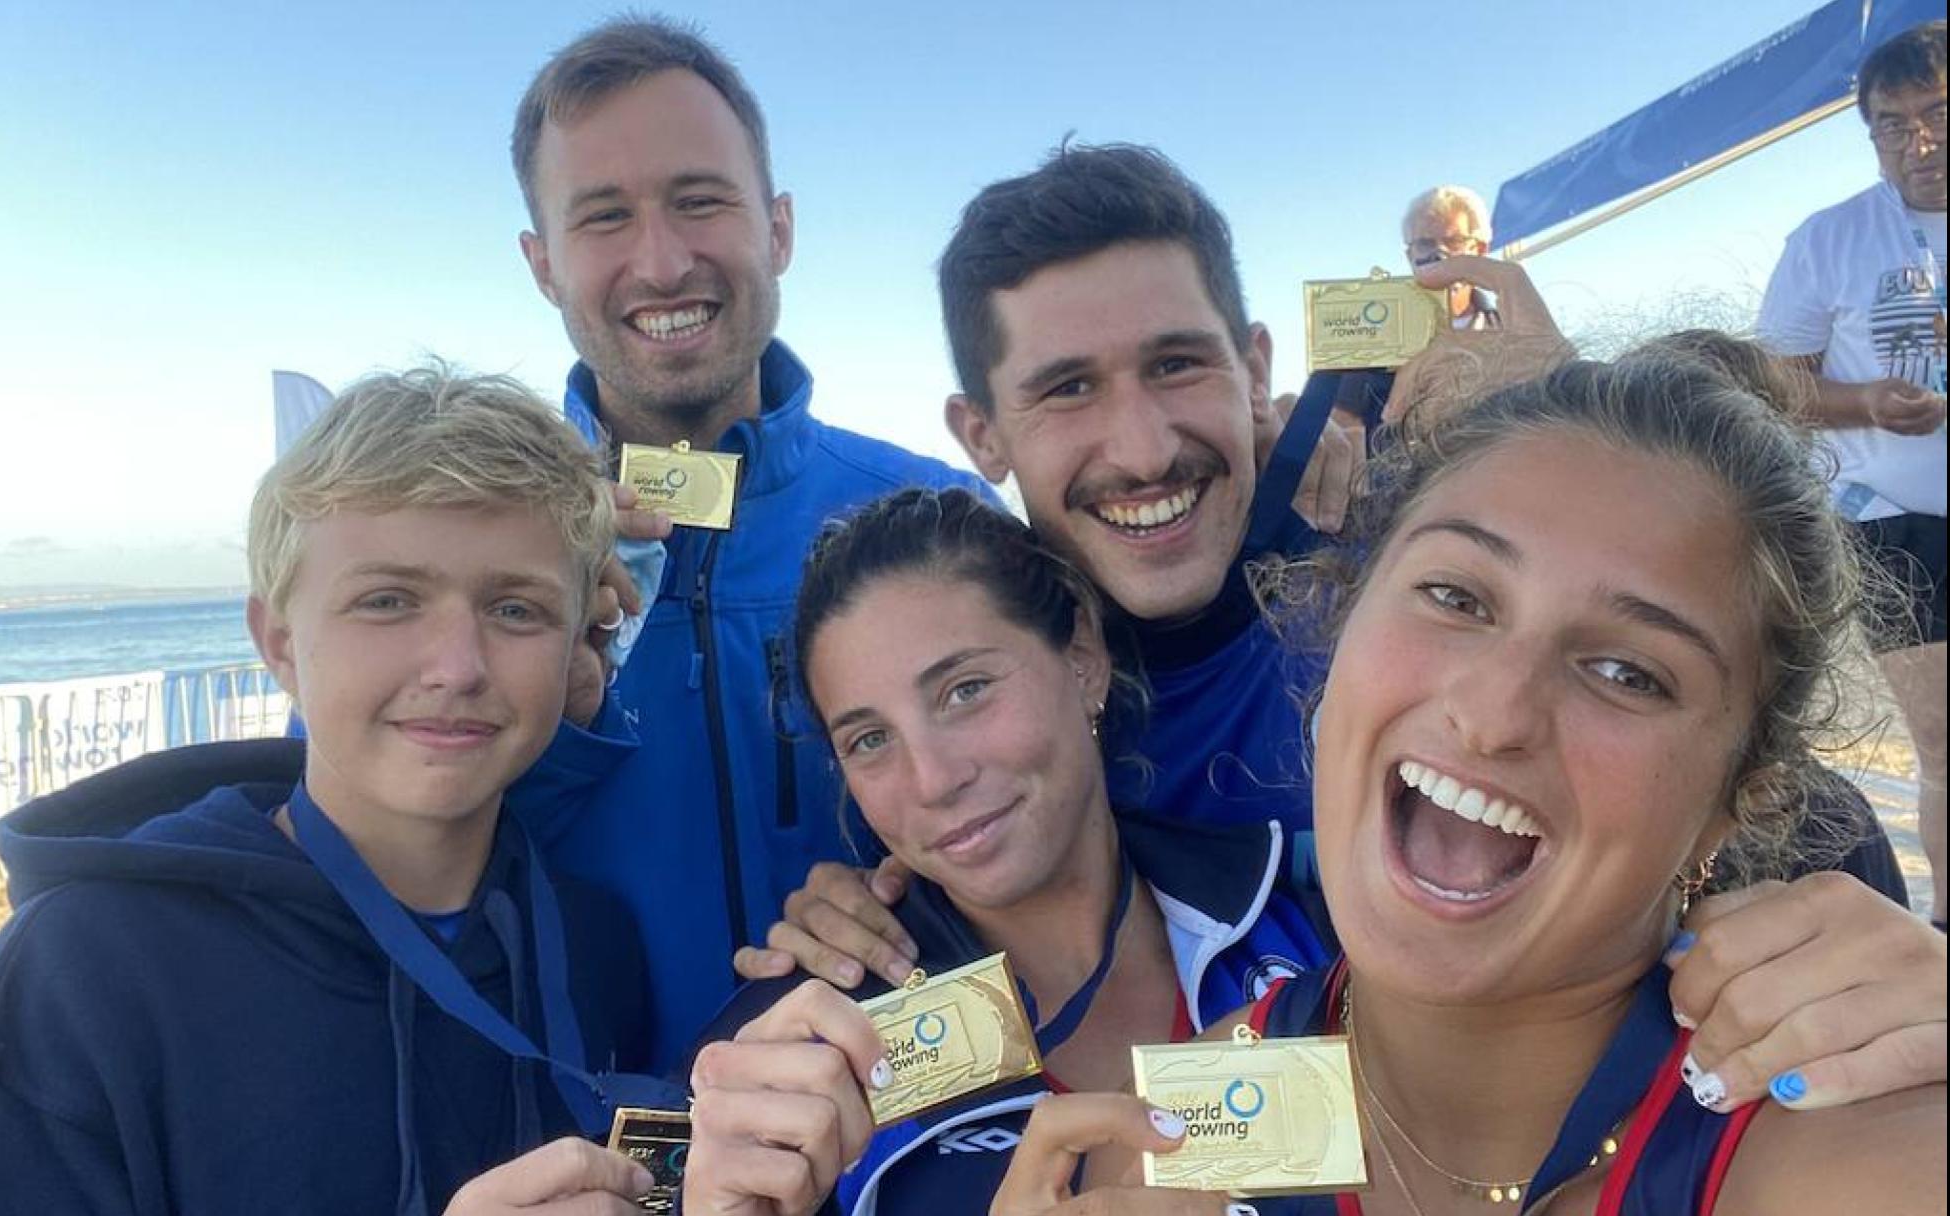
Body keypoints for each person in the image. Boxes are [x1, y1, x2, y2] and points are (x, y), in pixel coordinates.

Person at [744, 148, 1927, 1114]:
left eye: (1177, 364)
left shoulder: (1412, 606)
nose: (1145, 445)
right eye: (1066, 389)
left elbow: (1766, 806)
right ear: (982, 434)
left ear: (1255, 365)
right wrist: (883, 924)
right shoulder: (1010, 726)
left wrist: (1877, 968)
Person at [994, 338, 1946, 1216]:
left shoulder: (1854, 1156)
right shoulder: (1172, 1131)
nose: (1493, 717)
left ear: (1734, 807)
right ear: (1341, 630)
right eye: (1456, 596)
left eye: (1630, 674)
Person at [0, 367, 665, 1215]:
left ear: (575, 645)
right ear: (277, 643)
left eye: (516, 610)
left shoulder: (594, 945)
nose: (456, 666)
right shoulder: (83, 971)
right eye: (387, 601)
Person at [505, 15, 990, 1065]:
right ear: (544, 265)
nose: (663, 260)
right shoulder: (479, 560)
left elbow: (1093, 812)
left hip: (910, 1142)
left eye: (700, 199)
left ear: (778, 229)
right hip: (586, 1162)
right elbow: (368, 869)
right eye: (603, 217)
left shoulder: (940, 517)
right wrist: (540, 664)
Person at [690, 486, 1333, 1215]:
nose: (933, 780)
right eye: (870, 740)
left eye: (965, 691)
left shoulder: (1315, 910)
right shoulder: (784, 1052)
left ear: (1083, 656)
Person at [1757, 19, 1948, 925]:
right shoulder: (1829, 239)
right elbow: (1771, 387)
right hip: (1894, 519)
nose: (1920, 142)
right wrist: (1868, 403)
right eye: (1892, 123)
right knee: (1946, 747)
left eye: (1939, 113)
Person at [1401, 185, 1501, 329]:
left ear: (1479, 251)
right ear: (1410, 256)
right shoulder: (1383, 333)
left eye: (1454, 242)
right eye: (1425, 243)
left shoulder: (1514, 333)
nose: (1439, 255)